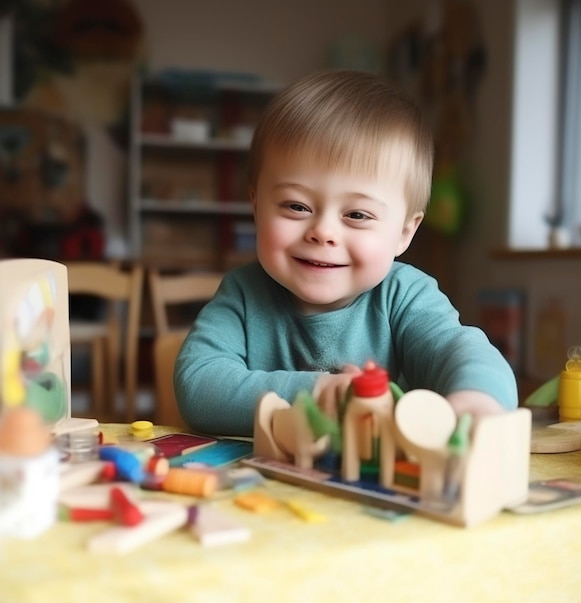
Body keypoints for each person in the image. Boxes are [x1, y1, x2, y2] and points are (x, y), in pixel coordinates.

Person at [174, 69, 518, 436]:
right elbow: (198, 384)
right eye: (296, 206)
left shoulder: (405, 297)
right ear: (256, 205)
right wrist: (319, 393)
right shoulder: (243, 295)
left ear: (404, 232)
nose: (323, 232)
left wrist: (477, 399)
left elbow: (461, 350)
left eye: (356, 214)